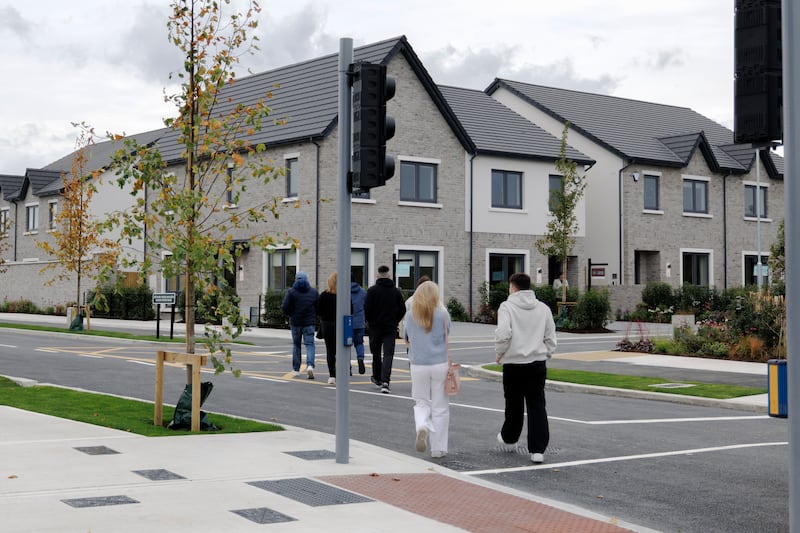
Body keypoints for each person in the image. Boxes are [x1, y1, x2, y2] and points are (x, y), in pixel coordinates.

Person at [495, 272, 557, 464]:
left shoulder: (506, 307)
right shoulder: (543, 308)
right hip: (537, 363)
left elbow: (504, 333)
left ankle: (510, 437)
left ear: (513, 287)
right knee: (537, 404)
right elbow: (550, 336)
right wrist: (546, 352)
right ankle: (537, 450)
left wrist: (500, 352)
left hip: (513, 363)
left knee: (513, 403)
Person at [403, 281, 451, 458]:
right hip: (440, 363)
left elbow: (406, 336)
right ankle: (438, 448)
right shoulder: (443, 314)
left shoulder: (410, 315)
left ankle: (422, 425)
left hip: (418, 364)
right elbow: (448, 333)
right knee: (441, 407)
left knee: (421, 402)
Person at [364, 265, 406, 394]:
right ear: (389, 275)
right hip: (390, 327)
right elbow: (402, 309)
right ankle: (386, 381)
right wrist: (395, 321)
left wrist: (370, 322)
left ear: (378, 275)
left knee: (376, 354)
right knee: (388, 354)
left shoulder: (372, 291)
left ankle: (377, 377)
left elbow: (366, 309)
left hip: (375, 327)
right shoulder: (396, 291)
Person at [281, 271, 319, 379]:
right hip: (309, 323)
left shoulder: (291, 292)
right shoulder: (313, 292)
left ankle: (296, 369)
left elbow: (285, 307)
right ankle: (310, 365)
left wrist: (291, 314)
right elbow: (318, 306)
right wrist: (313, 315)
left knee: (296, 345)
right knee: (310, 345)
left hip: (296, 322)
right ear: (307, 279)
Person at [317, 272, 338, 385]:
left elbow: (318, 311)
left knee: (330, 351)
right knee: (341, 351)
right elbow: (351, 310)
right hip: (340, 325)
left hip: (327, 325)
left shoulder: (324, 295)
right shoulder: (343, 295)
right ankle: (342, 372)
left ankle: (332, 375)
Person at [350, 274, 368, 375]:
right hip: (360, 322)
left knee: (346, 346)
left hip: (347, 322)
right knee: (359, 343)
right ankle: (360, 358)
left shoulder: (343, 291)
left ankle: (348, 368)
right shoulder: (362, 292)